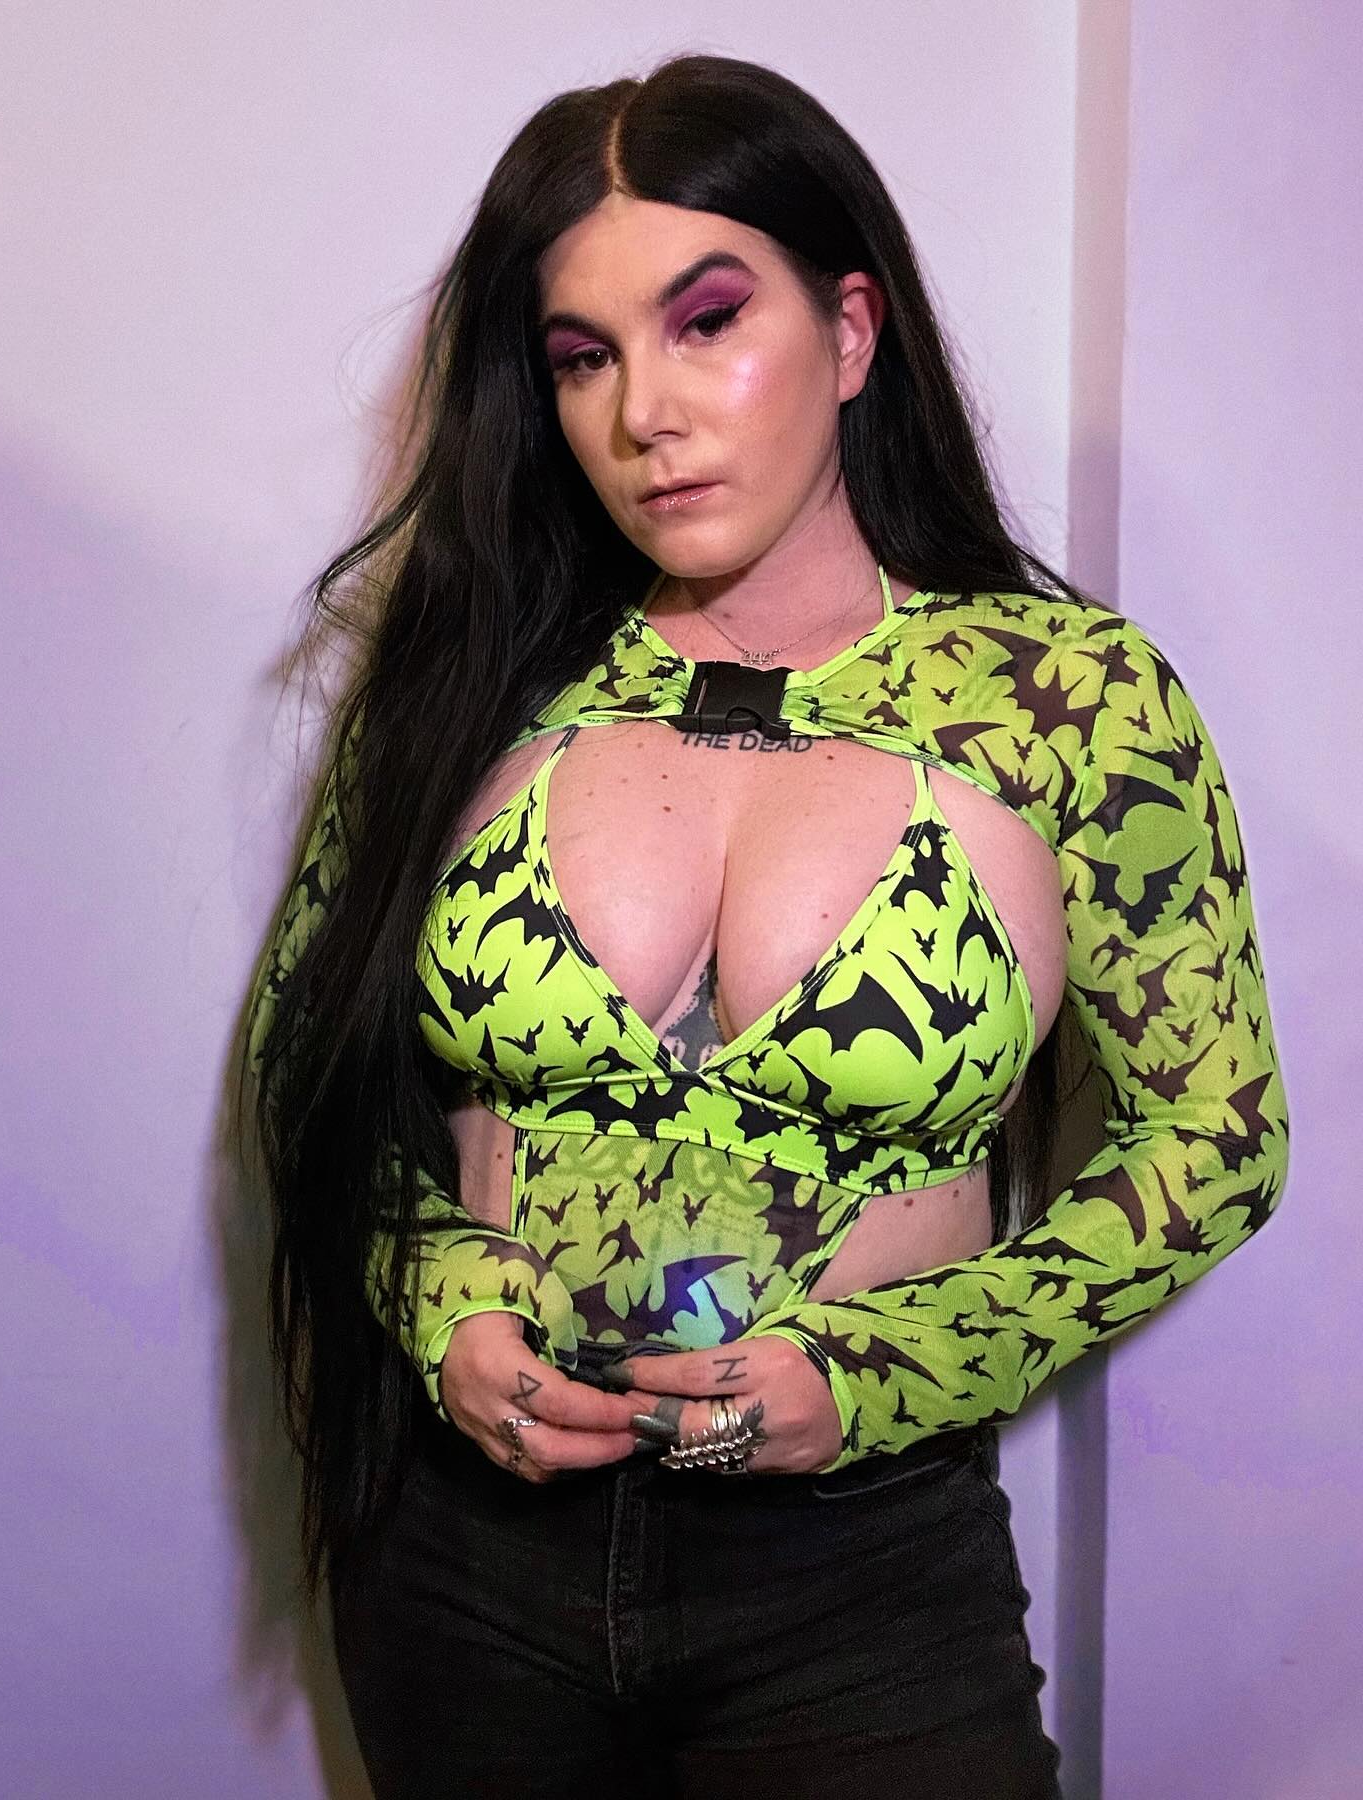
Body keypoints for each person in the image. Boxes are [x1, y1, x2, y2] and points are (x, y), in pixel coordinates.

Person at [239, 51, 1289, 1800]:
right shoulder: (476, 678)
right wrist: (443, 1300)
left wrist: (887, 1371)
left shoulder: (1067, 701)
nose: (643, 411)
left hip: (858, 1576)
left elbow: (1218, 1136)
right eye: (583, 355)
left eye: (706, 321)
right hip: (468, 1567)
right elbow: (310, 1064)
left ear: (852, 331)